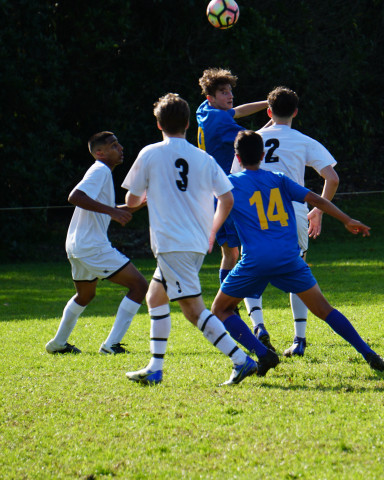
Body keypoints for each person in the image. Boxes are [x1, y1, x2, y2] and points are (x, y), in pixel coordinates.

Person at [122, 93, 278, 386]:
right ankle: (155, 367)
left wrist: (145, 196)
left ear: (158, 125)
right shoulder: (202, 157)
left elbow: (131, 200)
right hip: (193, 242)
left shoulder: (150, 153)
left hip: (173, 243)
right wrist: (212, 229)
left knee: (193, 311)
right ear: (188, 123)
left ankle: (241, 361)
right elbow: (226, 197)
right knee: (155, 297)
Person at [211, 130, 384, 372]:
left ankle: (263, 354)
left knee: (220, 309)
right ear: (263, 155)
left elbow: (211, 208)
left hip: (256, 260)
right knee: (325, 310)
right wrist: (346, 219)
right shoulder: (279, 178)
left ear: (238, 158)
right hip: (288, 257)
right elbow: (317, 200)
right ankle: (368, 353)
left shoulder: (230, 184)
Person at [232, 86, 339, 357]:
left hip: (256, 214)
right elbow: (332, 177)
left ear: (268, 112)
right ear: (295, 112)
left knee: (250, 270)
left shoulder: (252, 138)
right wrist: (319, 211)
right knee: (298, 274)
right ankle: (299, 339)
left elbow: (235, 176)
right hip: (293, 213)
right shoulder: (303, 140)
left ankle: (259, 327)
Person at [45, 132, 148, 355]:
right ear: (100, 153)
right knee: (139, 286)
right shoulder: (100, 170)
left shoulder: (103, 174)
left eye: (119, 144)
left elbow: (113, 209)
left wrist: (143, 202)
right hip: (92, 246)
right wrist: (112, 211)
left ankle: (58, 344)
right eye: (114, 145)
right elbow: (75, 196)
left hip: (76, 245)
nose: (120, 148)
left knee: (85, 295)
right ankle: (111, 345)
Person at [196, 67, 273, 349]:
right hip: (225, 194)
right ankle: (232, 307)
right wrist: (276, 121)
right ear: (210, 96)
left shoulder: (204, 110)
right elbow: (254, 140)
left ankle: (231, 305)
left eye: (230, 91)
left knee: (231, 253)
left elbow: (237, 111)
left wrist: (266, 104)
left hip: (213, 192)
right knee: (242, 254)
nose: (229, 96)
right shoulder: (219, 123)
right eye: (223, 93)